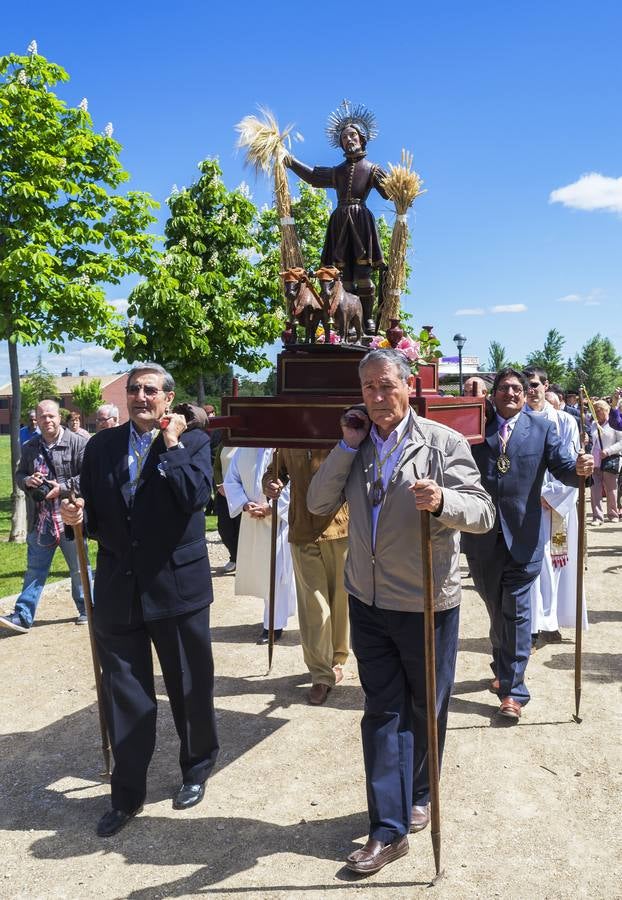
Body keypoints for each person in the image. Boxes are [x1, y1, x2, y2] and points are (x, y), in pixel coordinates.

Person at [307, 348, 495, 875]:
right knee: (382, 711)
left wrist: (441, 502)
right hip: (367, 602)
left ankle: (420, 790)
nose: (376, 396)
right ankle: (387, 830)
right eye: (367, 387)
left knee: (426, 709)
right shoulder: (357, 445)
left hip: (425, 602)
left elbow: (482, 513)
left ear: (408, 386)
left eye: (386, 385)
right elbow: (319, 503)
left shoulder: (442, 443)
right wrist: (345, 446)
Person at [60, 362, 218, 837]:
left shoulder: (194, 444)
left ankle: (196, 766)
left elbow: (194, 497)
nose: (141, 397)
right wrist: (76, 514)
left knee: (188, 686)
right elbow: (93, 508)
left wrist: (170, 444)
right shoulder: (103, 445)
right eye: (134, 390)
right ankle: (127, 794)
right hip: (118, 589)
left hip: (176, 586)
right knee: (125, 694)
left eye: (151, 390)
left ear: (169, 398)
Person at [462, 367, 594, 721]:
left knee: (518, 613)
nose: (511, 393)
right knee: (496, 609)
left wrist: (581, 469)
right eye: (504, 388)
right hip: (482, 537)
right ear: (494, 394)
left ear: (525, 394)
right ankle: (502, 665)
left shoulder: (542, 428)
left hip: (524, 536)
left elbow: (563, 467)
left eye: (517, 388)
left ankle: (514, 691)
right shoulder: (476, 427)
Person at [285, 100, 388, 334]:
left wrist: (403, 192)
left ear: (362, 138)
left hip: (361, 222)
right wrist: (290, 161)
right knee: (341, 274)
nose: (348, 140)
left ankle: (366, 320)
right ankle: (347, 322)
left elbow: (389, 194)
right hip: (340, 224)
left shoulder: (372, 169)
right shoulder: (337, 171)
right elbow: (312, 177)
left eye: (352, 136)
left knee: (363, 273)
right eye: (344, 138)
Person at [263, 449, 350, 705]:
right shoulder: (289, 438)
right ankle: (321, 674)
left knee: (340, 601)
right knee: (314, 605)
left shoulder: (339, 432)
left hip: (341, 527)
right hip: (302, 529)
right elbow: (274, 471)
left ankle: (338, 659)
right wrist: (270, 483)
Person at [0, 401, 88, 634]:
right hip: (41, 522)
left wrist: (61, 487)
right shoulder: (30, 447)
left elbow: (89, 477)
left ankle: (88, 608)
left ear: (60, 417)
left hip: (70, 519)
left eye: (51, 416)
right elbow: (20, 474)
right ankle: (22, 616)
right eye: (42, 417)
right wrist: (27, 481)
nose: (47, 420)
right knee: (34, 570)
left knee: (79, 567)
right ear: (36, 420)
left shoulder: (78, 443)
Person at [524, 368, 586, 644]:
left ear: (546, 385)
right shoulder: (518, 419)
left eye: (535, 384)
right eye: (526, 385)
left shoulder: (564, 421)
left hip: (556, 506)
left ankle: (550, 621)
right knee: (531, 567)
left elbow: (572, 465)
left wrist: (549, 494)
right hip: (526, 506)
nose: (530, 390)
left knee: (554, 564)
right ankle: (535, 624)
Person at [224, 447, 296, 643]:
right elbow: (231, 480)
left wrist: (272, 507)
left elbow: (299, 481)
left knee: (277, 572)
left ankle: (273, 624)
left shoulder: (287, 450)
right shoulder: (244, 450)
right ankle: (275, 617)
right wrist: (245, 504)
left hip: (281, 521)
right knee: (264, 571)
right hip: (253, 519)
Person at [589, 399, 622, 524]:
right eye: (595, 410)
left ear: (607, 410)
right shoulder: (593, 424)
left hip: (610, 459)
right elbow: (593, 441)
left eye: (600, 410)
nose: (597, 413)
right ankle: (597, 517)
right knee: (594, 490)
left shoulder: (614, 423)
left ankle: (613, 514)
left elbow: (621, 442)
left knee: (611, 489)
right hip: (595, 461)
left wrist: (608, 451)